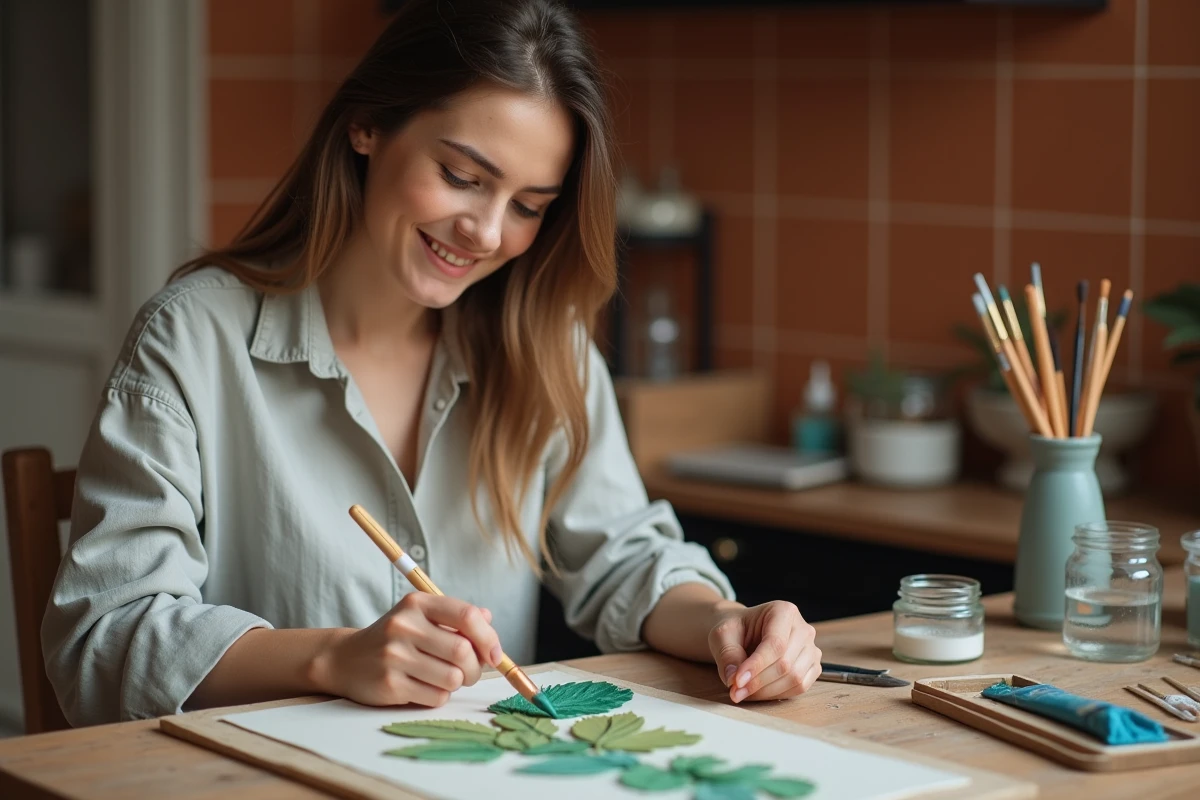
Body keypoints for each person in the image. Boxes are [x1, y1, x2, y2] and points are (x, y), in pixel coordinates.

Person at [42, 0, 820, 727]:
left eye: (527, 206)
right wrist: (331, 657)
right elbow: (101, 638)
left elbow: (625, 558)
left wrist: (726, 622)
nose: (485, 231)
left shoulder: (543, 346)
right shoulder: (192, 339)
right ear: (368, 126)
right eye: (462, 176)